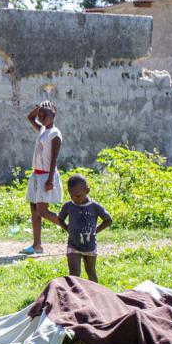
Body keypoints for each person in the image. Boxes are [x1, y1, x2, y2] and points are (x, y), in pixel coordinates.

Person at [22, 100, 63, 256]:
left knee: (43, 211)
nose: (41, 117)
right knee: (34, 210)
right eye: (41, 115)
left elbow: (54, 159)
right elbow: (30, 118)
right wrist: (39, 107)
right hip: (36, 175)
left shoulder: (55, 134)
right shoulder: (42, 130)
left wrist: (50, 180)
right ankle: (37, 245)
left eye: (45, 114)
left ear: (53, 114)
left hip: (46, 175)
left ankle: (72, 230)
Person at [58, 174, 112, 283]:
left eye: (77, 196)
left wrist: (95, 231)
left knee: (91, 272)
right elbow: (60, 219)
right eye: (71, 195)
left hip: (90, 246)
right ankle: (74, 296)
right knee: (74, 274)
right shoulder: (68, 206)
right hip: (73, 245)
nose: (74, 199)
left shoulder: (95, 207)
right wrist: (68, 229)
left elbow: (108, 220)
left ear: (87, 190)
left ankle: (95, 295)